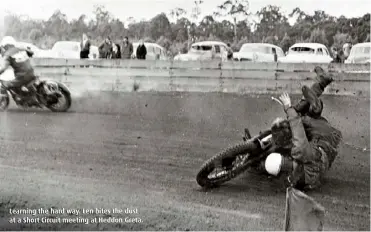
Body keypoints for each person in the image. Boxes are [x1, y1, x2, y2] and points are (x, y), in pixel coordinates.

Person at [262, 66, 342, 191]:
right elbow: (297, 127)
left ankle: (319, 91)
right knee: (301, 116)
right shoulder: (300, 153)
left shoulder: (292, 179)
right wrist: (288, 108)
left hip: (322, 158)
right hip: (324, 139)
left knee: (301, 112)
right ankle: (316, 105)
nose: (285, 160)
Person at [0, 36, 38, 105]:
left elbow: (3, 68)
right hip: (32, 73)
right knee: (17, 82)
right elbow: (31, 53)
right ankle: (28, 97)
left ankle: (24, 99)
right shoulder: (21, 49)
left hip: (22, 76)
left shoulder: (7, 55)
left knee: (5, 85)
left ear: (5, 46)